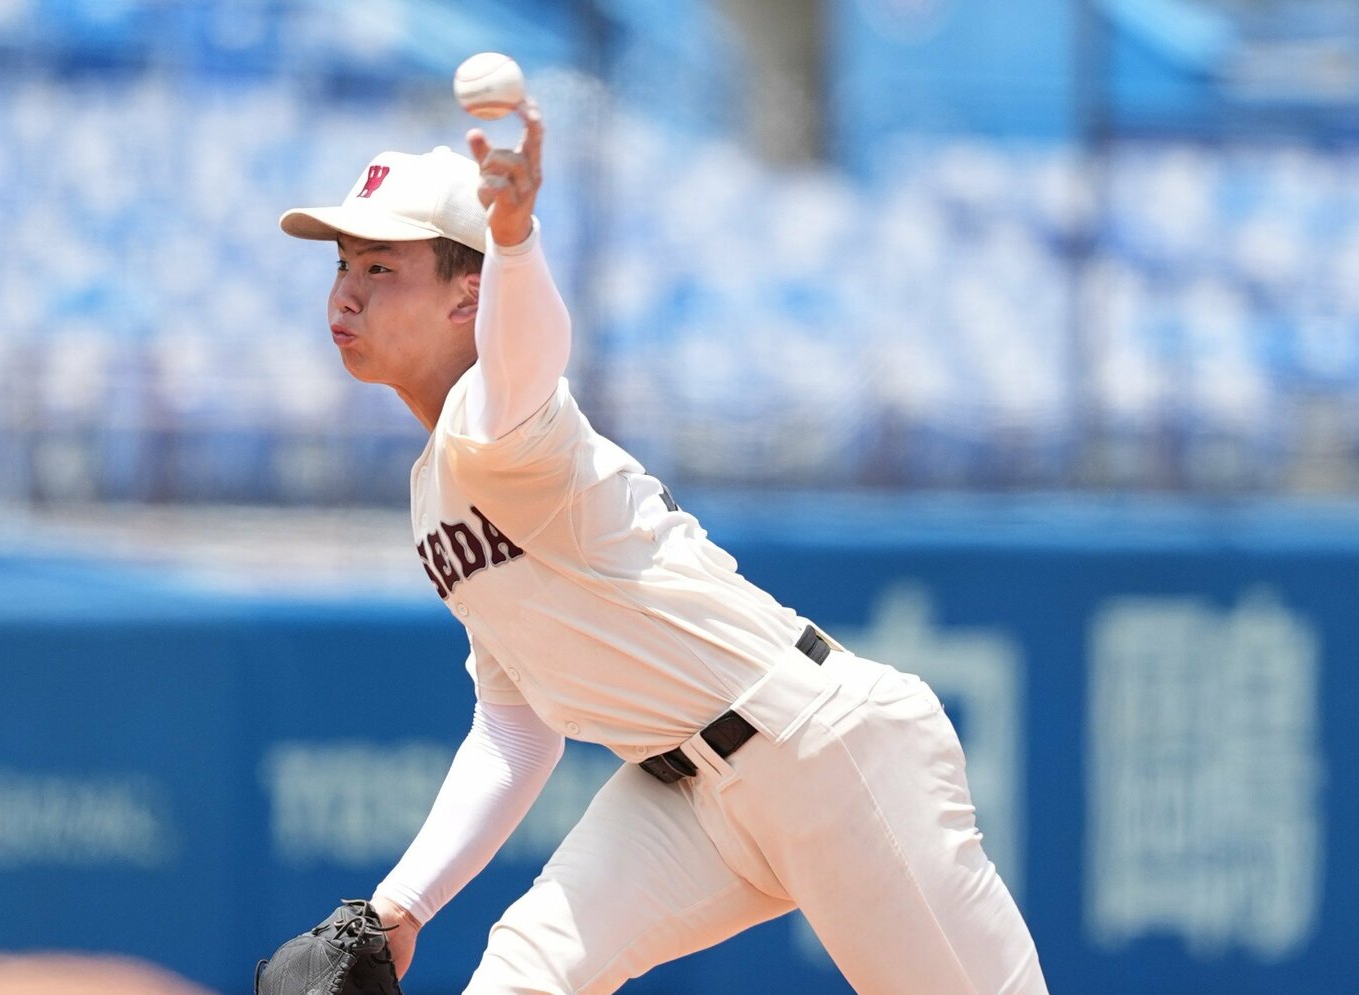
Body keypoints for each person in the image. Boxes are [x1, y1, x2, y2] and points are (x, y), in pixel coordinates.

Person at [279, 99, 1048, 994]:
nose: (346, 292)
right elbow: (514, 730)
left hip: (820, 747)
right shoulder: (434, 492)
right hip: (685, 798)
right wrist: (400, 906)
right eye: (342, 265)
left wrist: (517, 240)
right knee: (523, 974)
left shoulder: (504, 420)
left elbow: (531, 351)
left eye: (381, 266)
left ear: (469, 294)